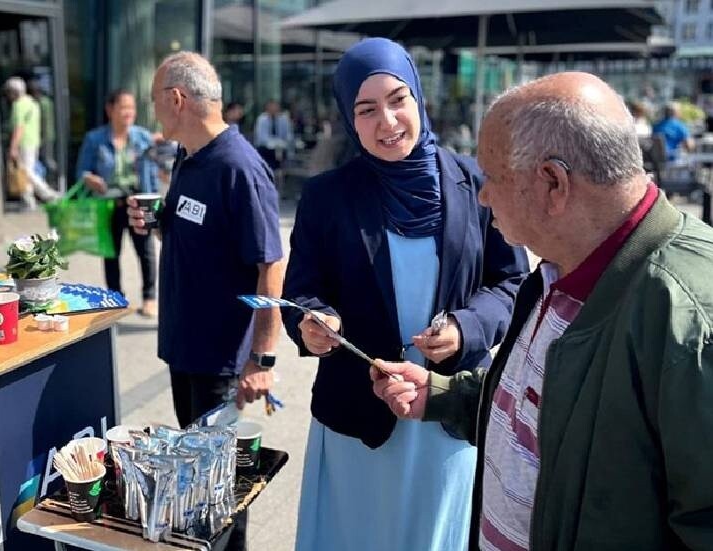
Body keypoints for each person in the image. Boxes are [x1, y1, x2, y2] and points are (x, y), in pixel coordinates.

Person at [373, 72, 713, 550]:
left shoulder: (689, 320)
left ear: (554, 182)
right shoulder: (560, 269)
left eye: (493, 177)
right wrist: (445, 396)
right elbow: (551, 416)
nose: (483, 196)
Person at [282, 38, 529, 551]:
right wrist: (314, 320)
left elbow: (512, 283)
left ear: (419, 97)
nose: (388, 122)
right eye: (367, 110)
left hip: (447, 413)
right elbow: (301, 291)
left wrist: (467, 327)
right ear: (350, 120)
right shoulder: (327, 196)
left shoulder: (474, 182)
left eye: (398, 100)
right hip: (359, 418)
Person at [128, 52, 283, 550]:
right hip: (184, 350)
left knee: (216, 496)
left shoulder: (239, 167)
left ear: (177, 99)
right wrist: (155, 222)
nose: (153, 113)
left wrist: (262, 358)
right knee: (198, 486)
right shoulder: (187, 157)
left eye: (155, 101)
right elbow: (189, 230)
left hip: (220, 361)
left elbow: (270, 265)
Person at [76, 89, 159, 317]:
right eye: (123, 107)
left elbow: (153, 169)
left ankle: (150, 297)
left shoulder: (142, 137)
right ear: (110, 110)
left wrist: (156, 201)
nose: (128, 113)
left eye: (131, 108)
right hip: (108, 203)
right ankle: (115, 298)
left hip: (139, 200)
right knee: (111, 254)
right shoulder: (95, 139)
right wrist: (90, 178)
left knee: (146, 252)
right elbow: (81, 171)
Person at [4, 76, 60, 210]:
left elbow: (19, 127)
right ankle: (28, 201)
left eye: (9, 92)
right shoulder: (33, 103)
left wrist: (13, 147)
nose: (8, 96)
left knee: (26, 171)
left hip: (24, 142)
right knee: (24, 171)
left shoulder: (19, 105)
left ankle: (48, 194)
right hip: (34, 142)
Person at [29, 78, 58, 181]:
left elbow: (43, 121)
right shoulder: (48, 101)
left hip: (45, 136)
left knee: (47, 159)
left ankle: (54, 177)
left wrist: (41, 137)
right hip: (50, 134)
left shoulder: (41, 103)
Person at [253, 99, 293, 170]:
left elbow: (288, 135)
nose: (274, 109)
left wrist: (283, 143)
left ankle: (279, 171)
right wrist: (275, 143)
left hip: (280, 147)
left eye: (275, 107)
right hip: (266, 147)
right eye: (271, 107)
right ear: (267, 108)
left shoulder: (284, 119)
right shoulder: (262, 119)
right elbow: (261, 138)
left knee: (281, 152)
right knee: (267, 152)